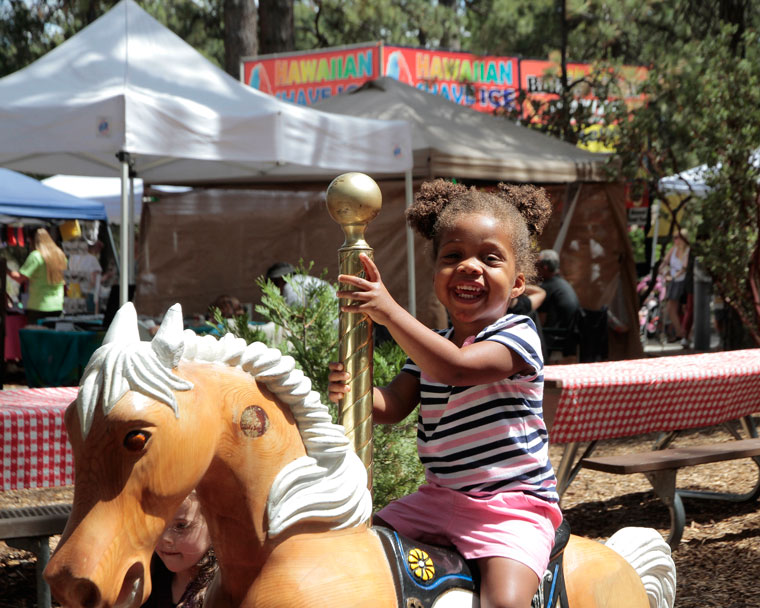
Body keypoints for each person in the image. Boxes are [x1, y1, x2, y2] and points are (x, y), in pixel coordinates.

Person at [328, 179, 561, 608]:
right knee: (357, 551)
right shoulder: (433, 344)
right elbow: (393, 406)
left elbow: (456, 368)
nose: (470, 266)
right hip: (438, 499)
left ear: (517, 285)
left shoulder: (517, 336)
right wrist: (356, 391)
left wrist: (389, 311)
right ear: (436, 273)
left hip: (511, 506)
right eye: (453, 256)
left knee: (504, 604)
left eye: (490, 258)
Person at [142, 491, 217, 608]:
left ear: (213, 524)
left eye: (181, 526)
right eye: (156, 525)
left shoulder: (230, 591)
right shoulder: (146, 584)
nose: (165, 538)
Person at [6, 228, 67, 325]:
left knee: (36, 339)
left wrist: (5, 269)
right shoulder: (60, 255)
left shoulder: (36, 256)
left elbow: (20, 278)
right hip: (58, 306)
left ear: (33, 241)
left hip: (38, 307)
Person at [658, 228, 690, 343]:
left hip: (681, 281)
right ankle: (680, 332)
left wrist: (674, 276)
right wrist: (661, 270)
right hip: (673, 281)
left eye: (678, 237)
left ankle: (682, 333)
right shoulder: (673, 249)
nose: (675, 240)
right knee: (671, 309)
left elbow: (684, 268)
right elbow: (664, 262)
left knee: (677, 308)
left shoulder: (687, 251)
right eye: (674, 237)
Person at [265, 261, 336, 307]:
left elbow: (295, 315)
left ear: (279, 279)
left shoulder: (291, 285)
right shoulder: (301, 280)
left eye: (273, 285)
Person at [69, 240, 103, 314]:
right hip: (89, 295)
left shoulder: (72, 258)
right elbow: (94, 282)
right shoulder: (92, 259)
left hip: (74, 294)